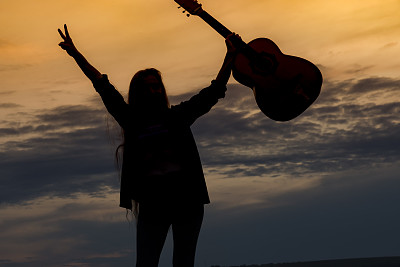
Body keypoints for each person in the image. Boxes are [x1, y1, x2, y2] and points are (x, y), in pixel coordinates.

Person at [58, 24, 240, 267]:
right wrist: (76, 54)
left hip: (187, 200)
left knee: (184, 262)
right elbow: (101, 85)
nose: (153, 90)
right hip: (153, 203)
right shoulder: (130, 119)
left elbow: (214, 91)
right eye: (147, 87)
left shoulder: (178, 116)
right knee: (146, 263)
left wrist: (230, 55)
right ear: (139, 92)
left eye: (157, 86)